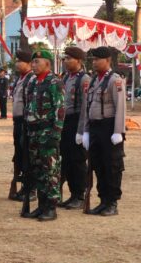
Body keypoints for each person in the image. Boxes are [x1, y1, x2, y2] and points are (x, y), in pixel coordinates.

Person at [82, 46, 126, 216]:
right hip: (95, 128)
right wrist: (85, 130)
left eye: (97, 59)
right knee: (98, 165)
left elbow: (120, 107)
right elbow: (88, 107)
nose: (94, 62)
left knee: (112, 166)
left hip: (109, 128)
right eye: (93, 60)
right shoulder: (93, 80)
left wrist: (118, 131)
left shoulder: (114, 80)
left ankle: (112, 202)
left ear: (108, 61)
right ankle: (103, 201)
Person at [22, 50, 65, 221]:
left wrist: (56, 132)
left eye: (37, 62)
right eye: (32, 62)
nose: (33, 65)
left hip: (48, 132)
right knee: (37, 170)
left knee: (50, 170)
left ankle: (51, 207)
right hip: (33, 132)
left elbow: (60, 109)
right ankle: (41, 204)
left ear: (47, 63)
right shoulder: (32, 82)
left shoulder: (54, 82)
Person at [58, 47, 91, 209]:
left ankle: (80, 194)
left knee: (78, 161)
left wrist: (81, 131)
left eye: (69, 58)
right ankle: (73, 194)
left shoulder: (83, 79)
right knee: (67, 160)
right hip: (64, 122)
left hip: (76, 121)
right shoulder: (65, 78)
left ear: (78, 60)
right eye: (65, 58)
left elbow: (85, 107)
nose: (65, 61)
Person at [9, 50, 36, 201]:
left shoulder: (31, 79)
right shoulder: (20, 79)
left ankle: (30, 189)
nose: (17, 64)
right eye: (17, 61)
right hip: (17, 121)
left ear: (29, 64)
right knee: (19, 155)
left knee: (27, 155)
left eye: (20, 61)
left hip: (26, 122)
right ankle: (24, 186)